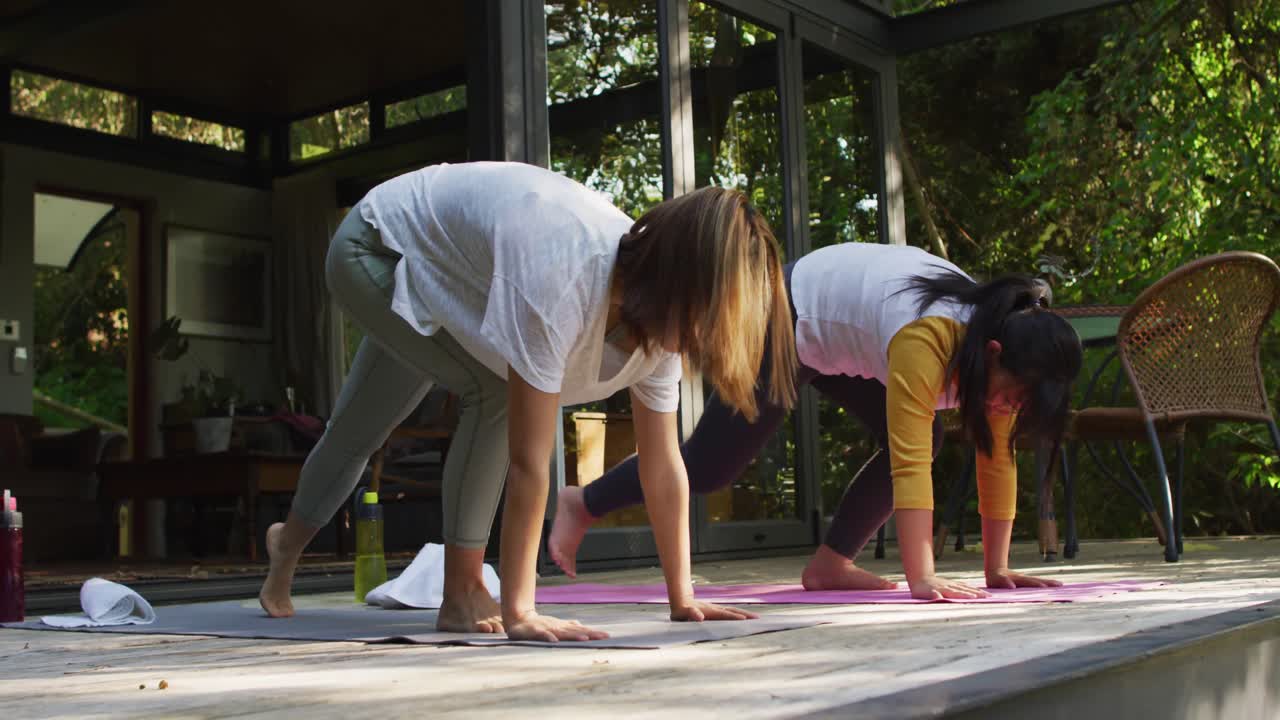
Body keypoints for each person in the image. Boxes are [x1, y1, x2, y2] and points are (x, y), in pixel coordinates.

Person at [258, 161, 798, 641]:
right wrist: (521, 609)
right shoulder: (565, 277)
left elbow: (663, 465)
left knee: (357, 431)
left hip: (446, 276)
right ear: (678, 284)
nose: (705, 340)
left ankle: (284, 547)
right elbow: (529, 462)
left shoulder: (659, 333)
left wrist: (682, 598)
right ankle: (462, 588)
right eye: (709, 318)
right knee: (490, 390)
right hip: (378, 246)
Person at [549, 242, 1082, 600]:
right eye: (1012, 397)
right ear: (991, 355)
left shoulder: (1013, 359)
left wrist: (998, 570)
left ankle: (829, 564)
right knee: (711, 467)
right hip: (789, 312)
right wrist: (921, 576)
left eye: (1023, 406)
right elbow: (912, 459)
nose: (1009, 410)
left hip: (844, 337)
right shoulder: (931, 341)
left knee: (934, 436)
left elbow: (998, 458)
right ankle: (584, 501)